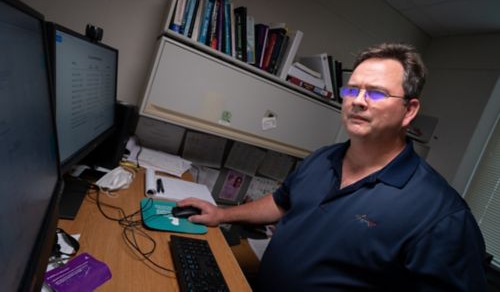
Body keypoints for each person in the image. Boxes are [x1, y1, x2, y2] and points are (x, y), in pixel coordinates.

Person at [179, 43, 487, 291]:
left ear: (409, 110)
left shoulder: (441, 214)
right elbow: (280, 203)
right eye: (352, 90)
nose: (358, 101)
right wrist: (221, 214)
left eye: (376, 93)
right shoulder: (322, 158)